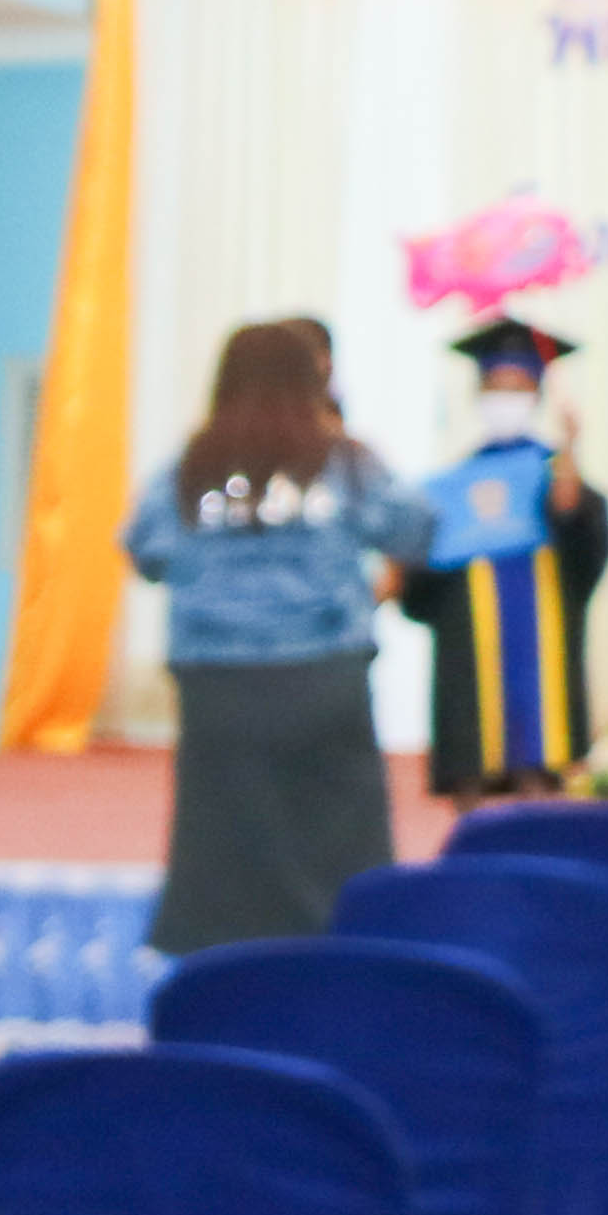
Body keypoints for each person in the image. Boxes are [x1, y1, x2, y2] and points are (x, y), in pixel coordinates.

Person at [123, 316, 420, 952]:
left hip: (217, 688)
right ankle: (346, 969)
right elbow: (414, 528)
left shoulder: (189, 467)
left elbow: (144, 550)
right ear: (313, 382)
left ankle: (226, 977)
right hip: (323, 678)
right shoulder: (346, 461)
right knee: (341, 850)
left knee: (222, 853)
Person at [405, 316, 608, 797]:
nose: (505, 399)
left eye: (517, 388)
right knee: (471, 745)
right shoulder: (452, 483)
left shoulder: (553, 471)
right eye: (495, 386)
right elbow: (422, 582)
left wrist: (569, 468)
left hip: (541, 624)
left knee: (541, 746)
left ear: (537, 394)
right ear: (477, 392)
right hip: (467, 634)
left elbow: (584, 547)